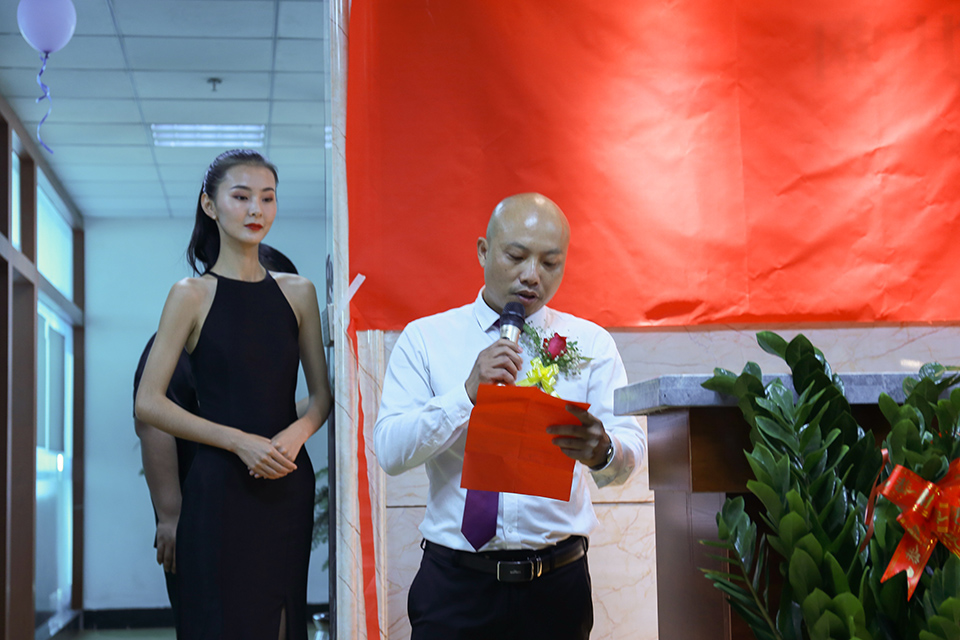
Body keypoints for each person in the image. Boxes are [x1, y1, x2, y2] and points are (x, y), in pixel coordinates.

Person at [374, 192, 646, 640]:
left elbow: (629, 448)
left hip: (556, 587)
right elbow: (390, 451)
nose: (532, 275)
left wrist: (604, 451)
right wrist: (465, 395)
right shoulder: (426, 339)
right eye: (516, 256)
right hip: (455, 586)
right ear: (484, 251)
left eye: (550, 263)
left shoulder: (590, 343)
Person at [135, 149, 331, 640]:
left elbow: (322, 396)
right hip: (220, 486)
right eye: (241, 197)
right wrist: (238, 441)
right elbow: (149, 402)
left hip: (285, 480)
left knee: (282, 613)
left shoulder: (300, 292)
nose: (255, 210)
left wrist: (297, 434)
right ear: (210, 205)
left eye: (267, 198)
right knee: (220, 620)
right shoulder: (189, 295)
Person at [132, 243, 301, 633]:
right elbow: (152, 423)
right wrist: (171, 515)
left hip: (253, 503)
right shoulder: (183, 334)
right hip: (200, 508)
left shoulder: (247, 345)